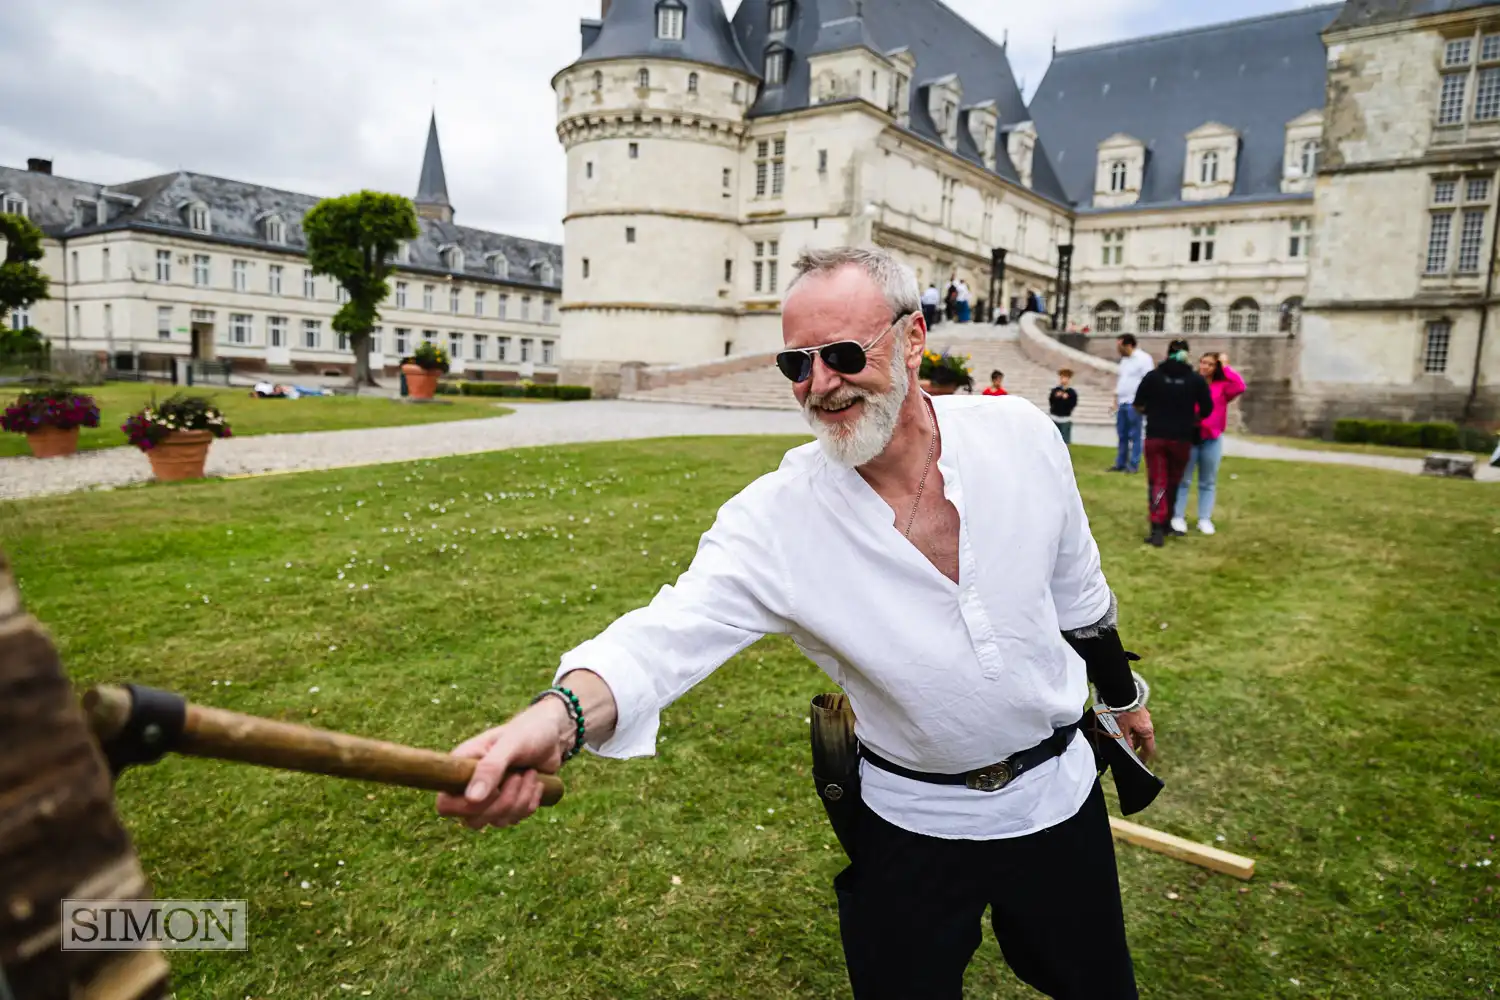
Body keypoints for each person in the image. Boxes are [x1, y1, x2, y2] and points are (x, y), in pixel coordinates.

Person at [437, 246, 1155, 1000]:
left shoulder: (1022, 436)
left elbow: (1081, 593)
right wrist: (560, 719)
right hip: (908, 824)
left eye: (844, 354)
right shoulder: (776, 519)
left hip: (1057, 801)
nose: (821, 385)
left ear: (914, 339)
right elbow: (664, 635)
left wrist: (1120, 694)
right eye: (796, 365)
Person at [1133, 339, 1213, 548]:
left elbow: (1139, 404)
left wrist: (1154, 412)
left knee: (1158, 481)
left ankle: (1157, 525)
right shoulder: (1195, 380)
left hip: (1156, 435)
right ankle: (1167, 520)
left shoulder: (1154, 377)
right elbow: (1207, 408)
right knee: (1173, 480)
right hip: (1182, 437)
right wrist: (1190, 418)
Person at [1172, 353, 1245, 536]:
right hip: (1189, 436)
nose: (1205, 367)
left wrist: (1226, 367)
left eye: (1210, 364)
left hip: (1211, 438)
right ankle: (1177, 516)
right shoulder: (1191, 382)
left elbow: (1240, 386)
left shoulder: (1222, 386)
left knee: (1207, 481)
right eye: (1203, 363)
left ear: (1216, 367)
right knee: (1183, 479)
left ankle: (1204, 518)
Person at [1109, 334, 1154, 474]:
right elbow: (1122, 381)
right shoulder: (1124, 361)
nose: (1118, 349)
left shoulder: (1143, 359)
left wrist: (1144, 402)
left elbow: (1148, 381)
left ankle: (1133, 464)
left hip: (1134, 402)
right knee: (1122, 434)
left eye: (1120, 346)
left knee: (1135, 434)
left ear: (1128, 345)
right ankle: (1120, 462)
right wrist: (1115, 400)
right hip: (1122, 401)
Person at [1049, 369, 1079, 445]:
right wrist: (1056, 397)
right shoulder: (1055, 390)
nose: (1063, 380)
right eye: (1062, 377)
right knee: (1054, 439)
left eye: (1065, 378)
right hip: (1055, 417)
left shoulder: (1072, 392)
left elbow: (1073, 404)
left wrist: (1067, 399)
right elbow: (1051, 401)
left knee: (1065, 440)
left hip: (1065, 418)